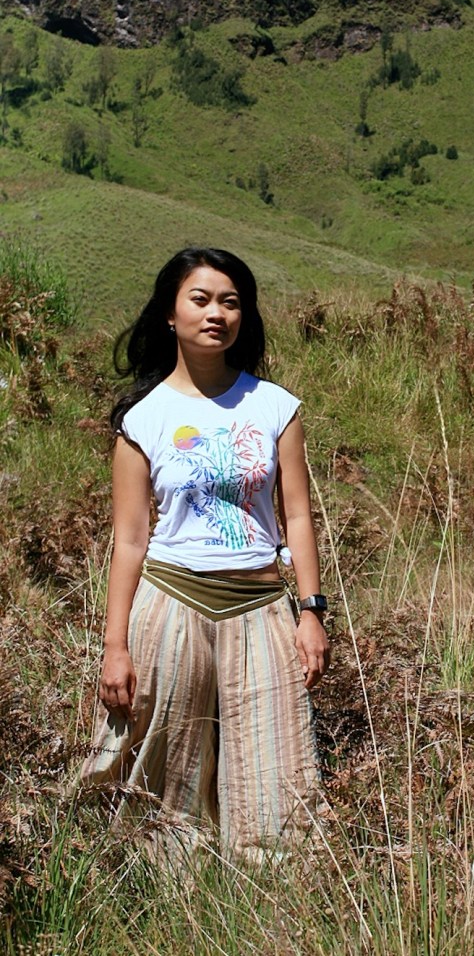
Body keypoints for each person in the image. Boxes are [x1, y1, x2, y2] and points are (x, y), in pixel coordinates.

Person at [82, 246, 330, 861]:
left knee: (278, 770)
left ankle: (273, 887)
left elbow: (298, 516)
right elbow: (130, 538)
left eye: (230, 302)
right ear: (171, 313)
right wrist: (115, 646)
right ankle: (163, 882)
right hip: (171, 600)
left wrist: (311, 610)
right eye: (200, 299)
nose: (216, 313)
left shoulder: (274, 407)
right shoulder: (143, 419)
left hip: (259, 603)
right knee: (163, 771)